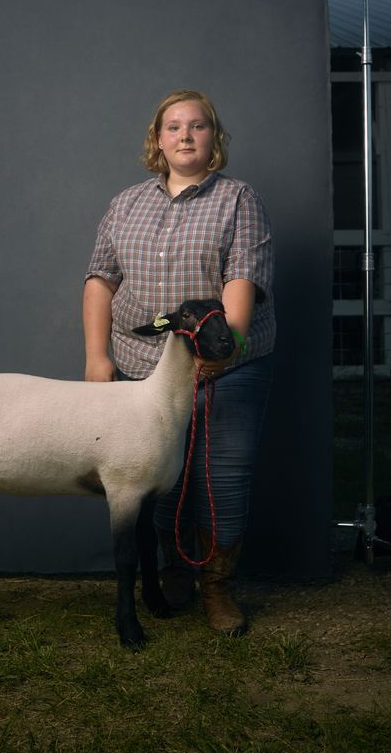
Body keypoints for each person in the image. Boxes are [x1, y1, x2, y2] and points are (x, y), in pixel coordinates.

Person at [83, 89, 275, 635]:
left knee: (222, 479)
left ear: (214, 138)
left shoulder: (238, 199)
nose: (185, 136)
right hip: (144, 362)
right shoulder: (126, 203)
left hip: (227, 365)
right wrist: (98, 358)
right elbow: (100, 279)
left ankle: (217, 586)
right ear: (157, 139)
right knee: (157, 478)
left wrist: (226, 348)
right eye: (173, 127)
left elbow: (243, 277)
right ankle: (173, 569)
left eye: (197, 126)